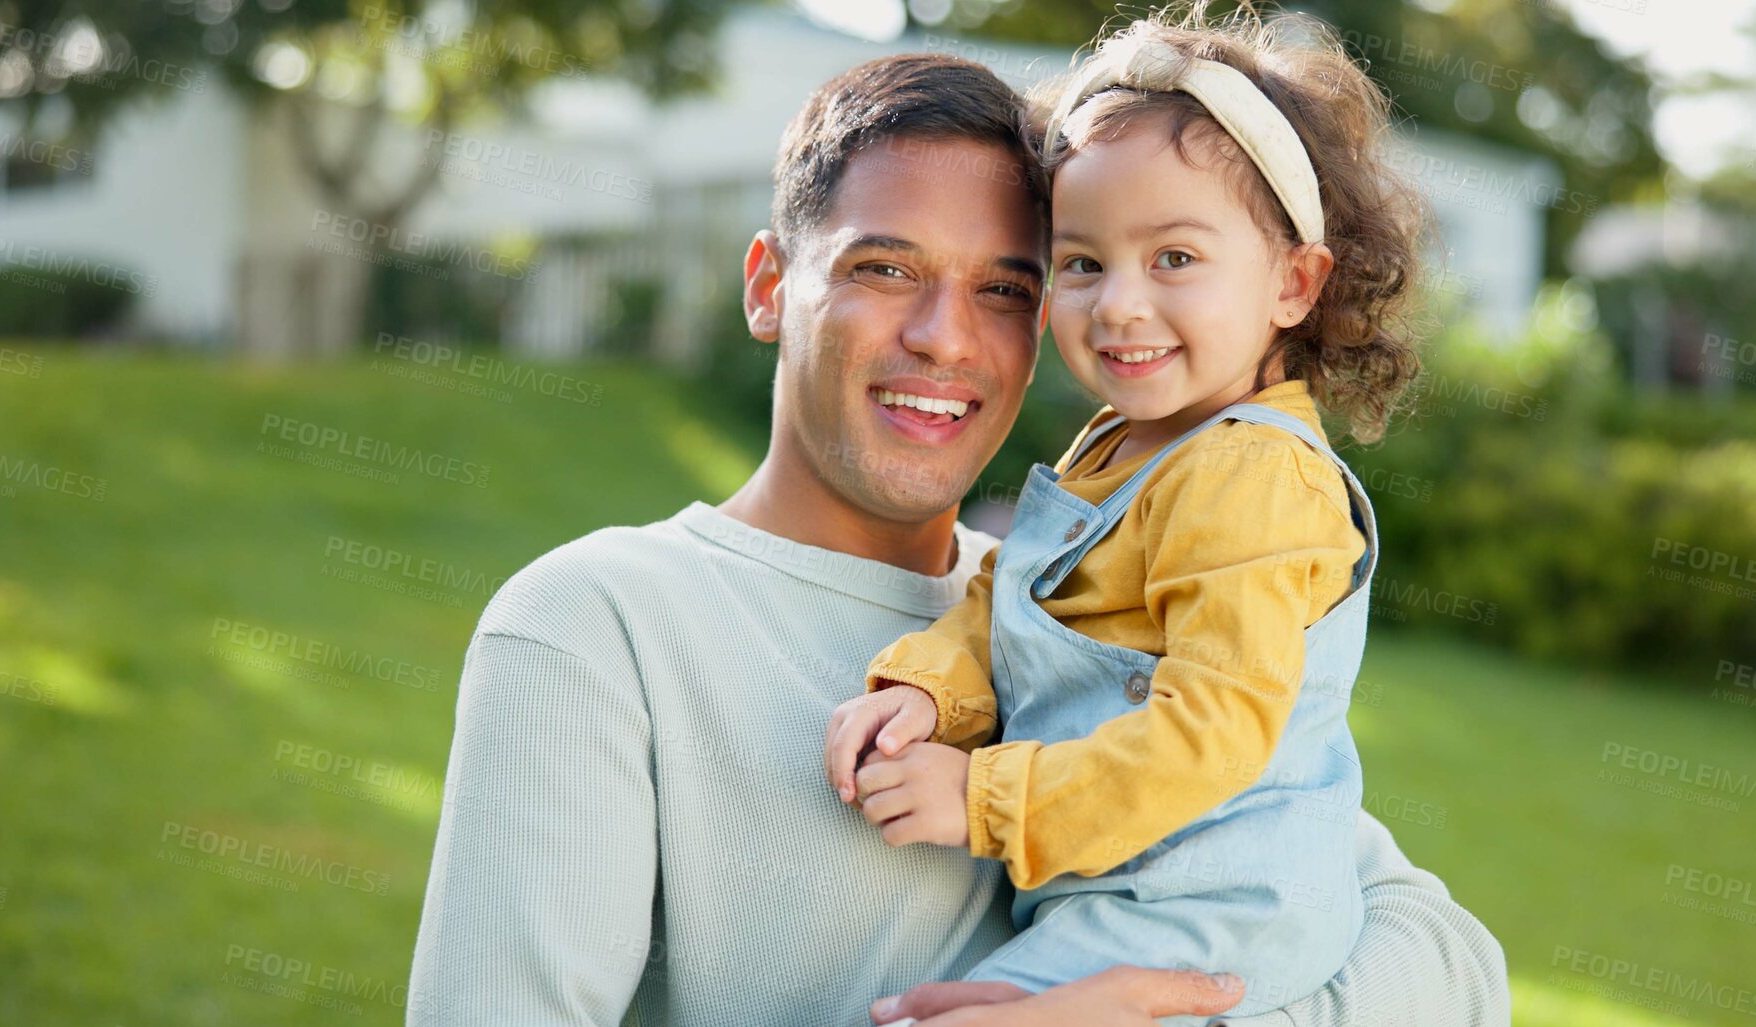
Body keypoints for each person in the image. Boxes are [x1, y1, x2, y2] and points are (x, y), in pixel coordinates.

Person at [404, 45, 1509, 1027]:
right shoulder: (598, 625)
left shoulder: (1102, 608)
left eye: (1004, 287)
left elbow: (1455, 970)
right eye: (885, 269)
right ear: (770, 286)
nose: (943, 337)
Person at [821, 10, 1424, 1021]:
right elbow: (1011, 597)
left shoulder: (1250, 473)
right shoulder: (1126, 442)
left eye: (1175, 258)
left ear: (1293, 280)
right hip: (1123, 891)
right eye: (1085, 262)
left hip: (1208, 906)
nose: (1120, 306)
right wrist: (932, 691)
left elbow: (1212, 736)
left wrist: (980, 797)